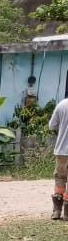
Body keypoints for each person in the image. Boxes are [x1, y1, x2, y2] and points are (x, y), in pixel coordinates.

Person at [49, 91, 68, 220]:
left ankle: (56, 211)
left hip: (61, 150)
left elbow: (52, 126)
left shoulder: (62, 104)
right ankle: (67, 213)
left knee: (60, 178)